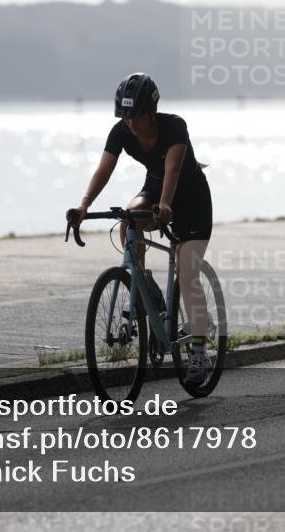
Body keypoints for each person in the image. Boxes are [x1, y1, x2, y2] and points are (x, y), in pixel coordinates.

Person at [71, 73, 214, 383]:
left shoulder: (174, 127)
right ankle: (145, 287)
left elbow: (173, 169)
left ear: (152, 111)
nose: (130, 122)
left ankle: (199, 351)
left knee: (186, 274)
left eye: (135, 115)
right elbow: (104, 169)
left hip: (191, 200)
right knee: (128, 219)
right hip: (154, 188)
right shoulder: (122, 130)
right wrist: (83, 205)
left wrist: (165, 206)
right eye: (125, 116)